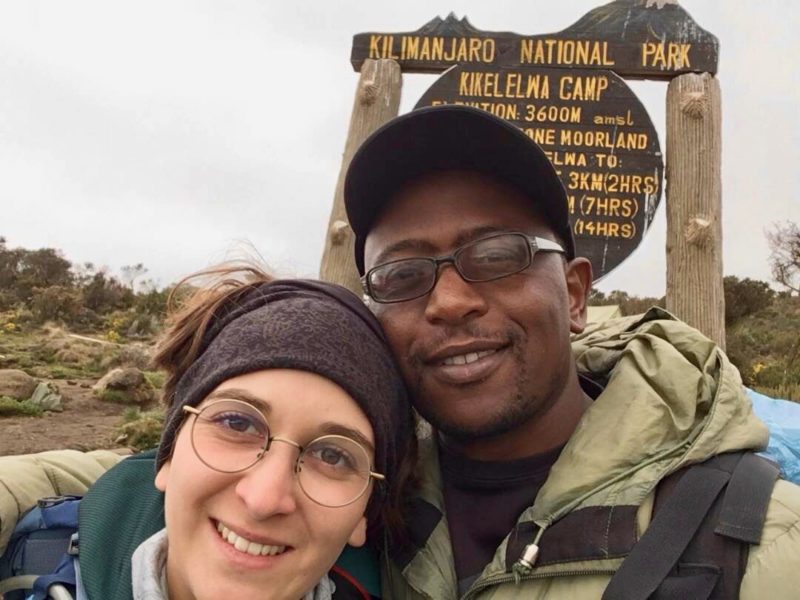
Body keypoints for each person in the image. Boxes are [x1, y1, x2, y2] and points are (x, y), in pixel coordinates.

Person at [343, 105, 800, 599]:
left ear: (575, 294)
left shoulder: (765, 547)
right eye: (402, 276)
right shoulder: (347, 512)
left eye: (497, 255)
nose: (450, 302)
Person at [18, 269, 415, 600]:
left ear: (364, 514)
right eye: (236, 423)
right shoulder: (26, 573)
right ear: (169, 454)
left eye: (332, 456)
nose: (264, 500)